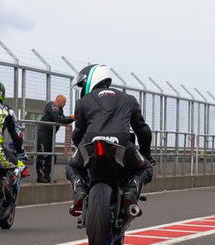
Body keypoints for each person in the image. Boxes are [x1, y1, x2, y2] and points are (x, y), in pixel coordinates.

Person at [65, 64, 154, 215]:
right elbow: (143, 130)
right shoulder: (128, 99)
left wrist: (80, 149)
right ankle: (131, 190)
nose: (82, 88)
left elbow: (78, 133)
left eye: (83, 84)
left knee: (72, 166)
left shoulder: (83, 102)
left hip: (90, 143)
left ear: (93, 79)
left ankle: (80, 190)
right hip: (122, 143)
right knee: (145, 167)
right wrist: (146, 155)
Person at [36, 95, 74, 183]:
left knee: (52, 156)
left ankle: (47, 175)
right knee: (42, 154)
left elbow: (63, 119)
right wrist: (71, 118)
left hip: (51, 135)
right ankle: (40, 177)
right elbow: (59, 119)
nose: (65, 104)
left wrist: (72, 118)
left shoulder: (59, 110)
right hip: (43, 134)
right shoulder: (52, 106)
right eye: (64, 102)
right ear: (58, 100)